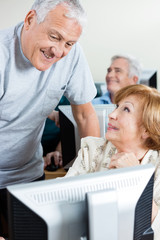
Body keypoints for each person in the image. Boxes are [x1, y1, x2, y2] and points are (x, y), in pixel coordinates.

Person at [0, 0, 100, 237]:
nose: (59, 51)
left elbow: (85, 115)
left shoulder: (71, 55)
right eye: (54, 37)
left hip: (29, 177)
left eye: (69, 43)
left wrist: (96, 177)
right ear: (29, 20)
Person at [66, 84, 160, 240]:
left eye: (126, 109)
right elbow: (63, 201)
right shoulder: (93, 149)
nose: (112, 114)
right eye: (117, 106)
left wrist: (137, 179)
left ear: (147, 129)